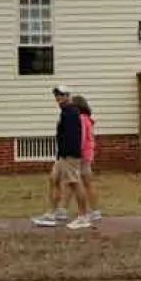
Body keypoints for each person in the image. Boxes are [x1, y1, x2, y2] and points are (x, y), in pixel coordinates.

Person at [32, 86, 90, 229]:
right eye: (56, 95)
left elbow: (73, 137)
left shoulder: (71, 112)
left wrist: (68, 154)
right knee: (54, 178)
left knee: (74, 182)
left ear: (67, 96)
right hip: (62, 154)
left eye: (61, 95)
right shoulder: (65, 112)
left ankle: (83, 216)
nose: (58, 97)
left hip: (70, 154)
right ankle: (53, 213)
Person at [72, 95, 101, 222]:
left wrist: (76, 152)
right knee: (88, 183)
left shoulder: (81, 119)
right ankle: (95, 211)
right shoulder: (87, 119)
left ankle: (85, 212)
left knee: (80, 183)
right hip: (87, 155)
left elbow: (81, 137)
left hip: (82, 155)